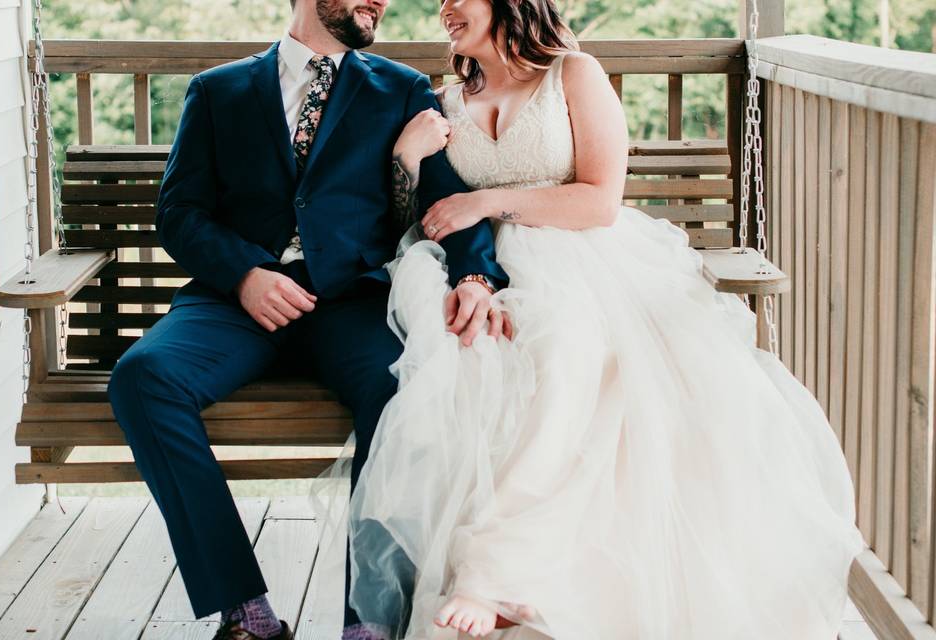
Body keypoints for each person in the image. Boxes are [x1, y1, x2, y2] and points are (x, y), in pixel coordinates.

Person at [335, 0, 867, 637]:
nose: (445, 9)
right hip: (478, 270)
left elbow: (600, 199)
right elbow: (420, 213)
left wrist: (488, 200)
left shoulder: (573, 74)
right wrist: (409, 159)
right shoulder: (443, 100)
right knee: (464, 364)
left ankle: (496, 570)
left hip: (576, 258)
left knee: (566, 348)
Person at [105, 0, 509, 638]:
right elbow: (179, 213)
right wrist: (243, 274)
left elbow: (445, 199)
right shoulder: (218, 91)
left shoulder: (400, 90)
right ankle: (246, 611)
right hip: (235, 305)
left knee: (404, 385)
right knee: (142, 377)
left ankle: (367, 621)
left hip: (350, 303)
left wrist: (476, 276)